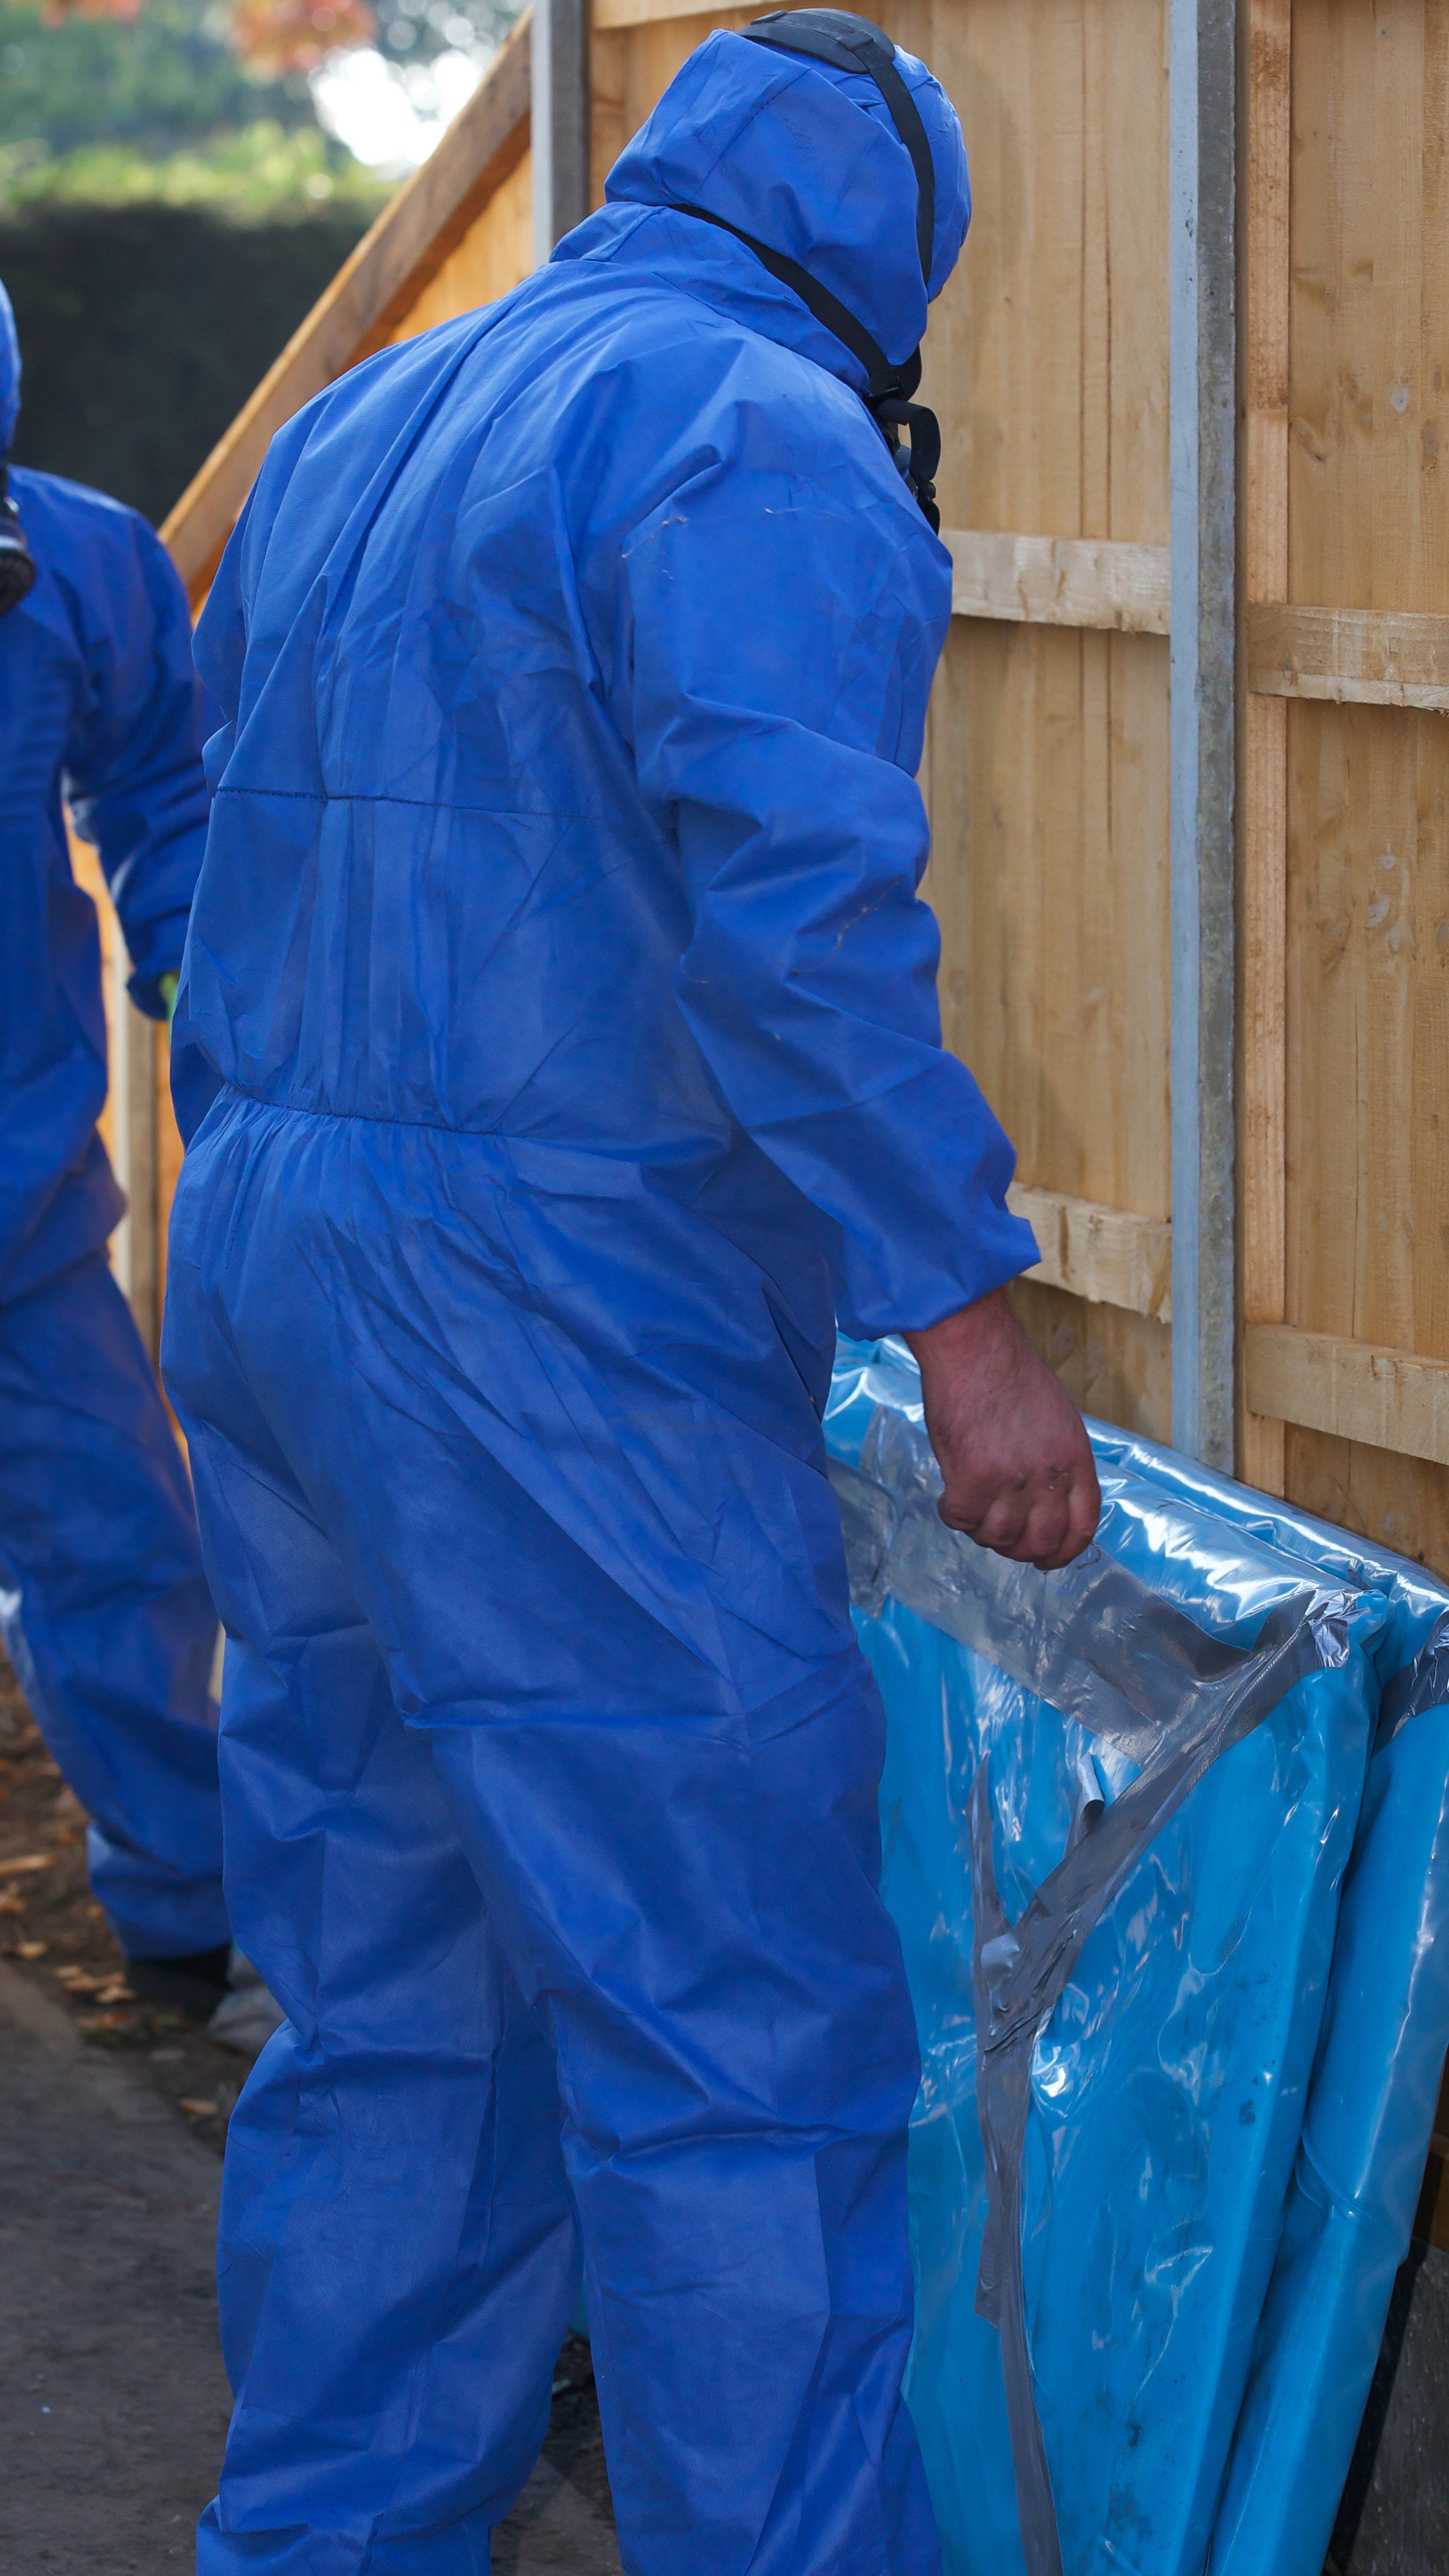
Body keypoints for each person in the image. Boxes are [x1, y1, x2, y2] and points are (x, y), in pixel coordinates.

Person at [162, 11, 1101, 2569]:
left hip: (271, 1260)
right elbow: (797, 933)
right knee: (729, 2042)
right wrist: (970, 1318)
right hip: (544, 1319)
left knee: (395, 2000)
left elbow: (228, 821)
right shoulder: (758, 437)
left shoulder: (372, 421)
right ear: (893, 272)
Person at [0, 276, 235, 2013]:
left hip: (22, 1206)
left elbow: (163, 783)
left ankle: (185, 1926)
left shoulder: (72, 568)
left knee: (130, 1555)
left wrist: (198, 973)